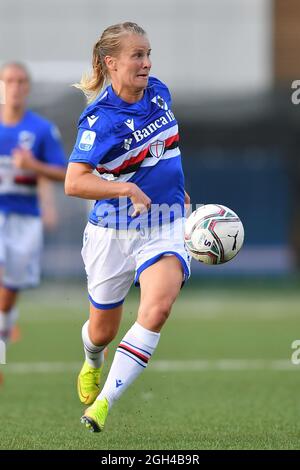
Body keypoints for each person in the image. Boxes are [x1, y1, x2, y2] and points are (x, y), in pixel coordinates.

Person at [65, 22, 191, 433]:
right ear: (111, 62)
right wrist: (124, 188)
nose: (146, 62)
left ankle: (103, 404)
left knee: (158, 308)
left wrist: (181, 193)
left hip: (164, 225)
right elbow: (74, 182)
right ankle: (91, 360)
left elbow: (168, 150)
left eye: (148, 53)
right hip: (112, 232)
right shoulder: (99, 120)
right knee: (102, 332)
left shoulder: (160, 91)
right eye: (137, 56)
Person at [0, 62, 66, 355]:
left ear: (27, 87)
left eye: (20, 81)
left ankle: (3, 333)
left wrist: (32, 166)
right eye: (8, 81)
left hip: (25, 218)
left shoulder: (41, 130)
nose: (14, 86)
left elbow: (64, 174)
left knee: (8, 296)